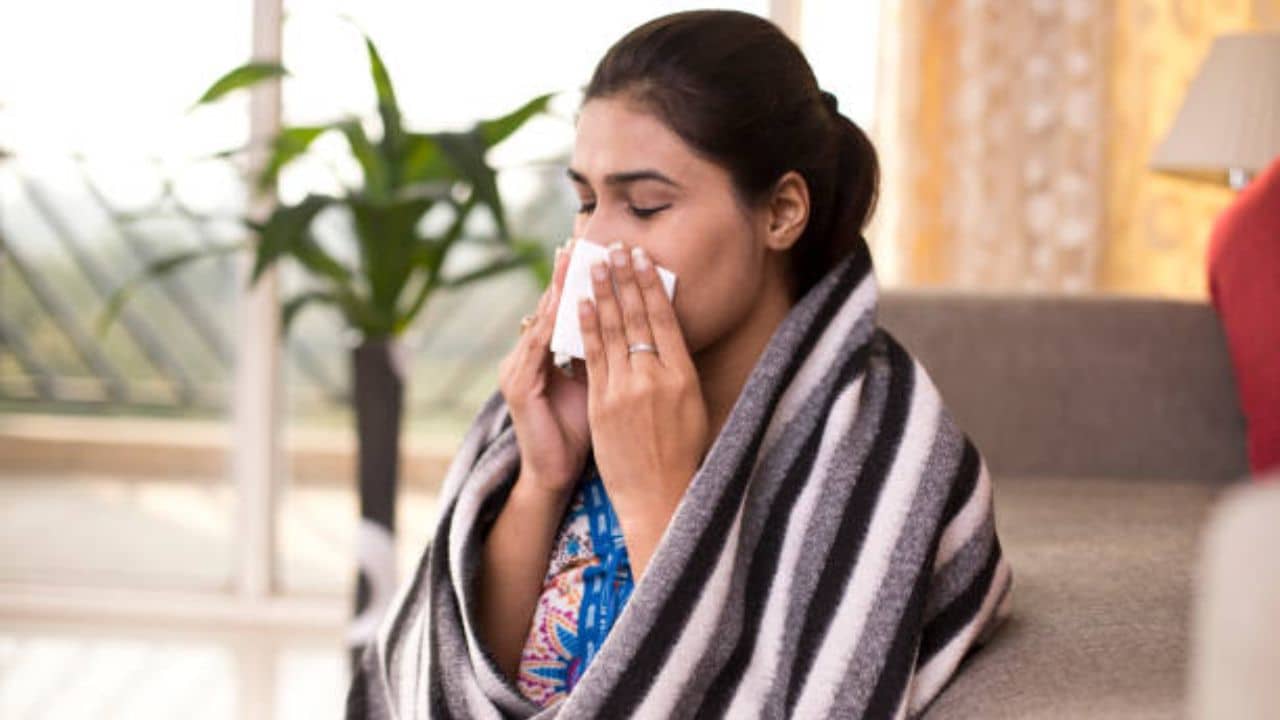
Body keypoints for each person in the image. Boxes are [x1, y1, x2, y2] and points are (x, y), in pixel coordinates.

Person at [347, 10, 1011, 719]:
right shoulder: (564, 404)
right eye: (586, 203)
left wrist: (653, 499)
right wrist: (542, 477)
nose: (598, 243)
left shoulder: (880, 448)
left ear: (782, 212)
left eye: (645, 206)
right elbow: (448, 695)